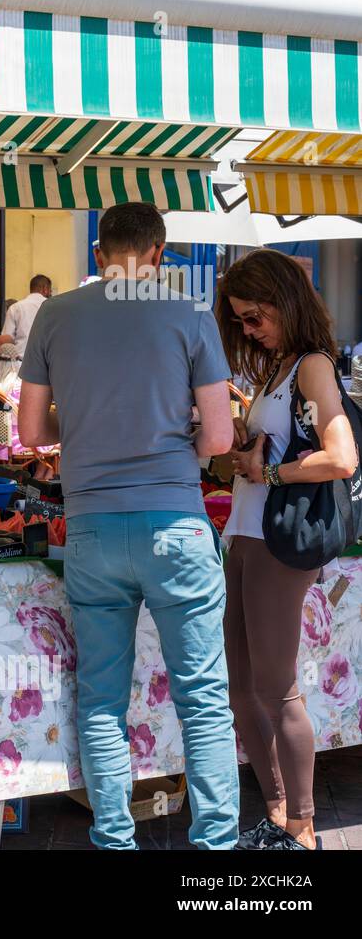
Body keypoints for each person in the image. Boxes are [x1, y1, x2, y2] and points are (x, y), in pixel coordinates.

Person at [18, 201, 238, 850]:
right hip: (176, 524)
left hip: (91, 527)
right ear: (159, 254)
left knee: (102, 701)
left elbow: (30, 432)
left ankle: (114, 838)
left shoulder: (55, 314)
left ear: (97, 255)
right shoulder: (191, 314)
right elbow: (221, 437)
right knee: (202, 701)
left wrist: (82, 429)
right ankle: (215, 847)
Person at [218, 250, 357, 851]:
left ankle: (302, 825)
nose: (249, 330)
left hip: (277, 540)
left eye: (255, 317)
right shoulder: (278, 367)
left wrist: (270, 475)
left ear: (284, 301)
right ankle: (277, 814)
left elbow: (341, 457)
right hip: (245, 534)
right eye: (241, 321)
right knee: (241, 685)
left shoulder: (312, 366)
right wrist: (241, 460)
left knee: (276, 688)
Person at [0, 342, 56, 479]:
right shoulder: (17, 386)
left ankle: (38, 481)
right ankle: (39, 484)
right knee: (58, 442)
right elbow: (29, 413)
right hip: (18, 440)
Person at [2, 275, 53, 357]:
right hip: (46, 362)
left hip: (20, 362)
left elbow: (7, 339)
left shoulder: (15, 308)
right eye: (50, 291)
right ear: (45, 289)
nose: (51, 293)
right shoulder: (53, 307)